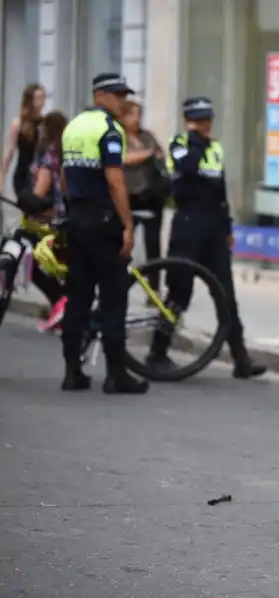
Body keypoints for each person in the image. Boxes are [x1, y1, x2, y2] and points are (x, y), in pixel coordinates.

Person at [147, 97, 266, 377]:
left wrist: (227, 229)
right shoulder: (179, 144)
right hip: (187, 224)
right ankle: (157, 352)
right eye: (199, 121)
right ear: (188, 121)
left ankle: (241, 359)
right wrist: (194, 139)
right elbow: (187, 168)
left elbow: (220, 190)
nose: (205, 125)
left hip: (212, 226)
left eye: (208, 120)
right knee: (179, 291)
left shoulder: (216, 149)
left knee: (226, 294)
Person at [59, 73, 148, 394]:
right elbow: (115, 181)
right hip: (103, 219)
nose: (121, 100)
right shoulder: (110, 130)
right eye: (116, 94)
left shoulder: (73, 127)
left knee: (78, 298)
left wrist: (71, 208)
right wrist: (127, 223)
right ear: (99, 95)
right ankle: (116, 375)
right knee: (113, 298)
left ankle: (72, 372)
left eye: (124, 94)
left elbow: (64, 178)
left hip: (78, 218)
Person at [25, 110, 69, 331]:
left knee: (30, 263)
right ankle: (63, 309)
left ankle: (59, 304)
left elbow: (39, 192)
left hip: (45, 221)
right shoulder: (66, 153)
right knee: (62, 267)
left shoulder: (48, 155)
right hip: (64, 218)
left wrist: (28, 201)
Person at [120, 100, 167, 295]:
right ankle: (119, 283)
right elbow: (123, 158)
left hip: (151, 196)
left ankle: (154, 289)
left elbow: (160, 153)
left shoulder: (147, 136)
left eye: (139, 114)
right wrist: (147, 154)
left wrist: (156, 155)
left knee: (153, 244)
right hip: (129, 197)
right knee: (123, 242)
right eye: (133, 115)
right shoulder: (118, 137)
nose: (137, 119)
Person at [2, 83, 46, 199]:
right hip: (23, 175)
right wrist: (1, 180)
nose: (41, 102)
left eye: (43, 98)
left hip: (39, 175)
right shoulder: (18, 124)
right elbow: (8, 154)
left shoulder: (45, 124)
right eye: (37, 98)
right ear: (29, 100)